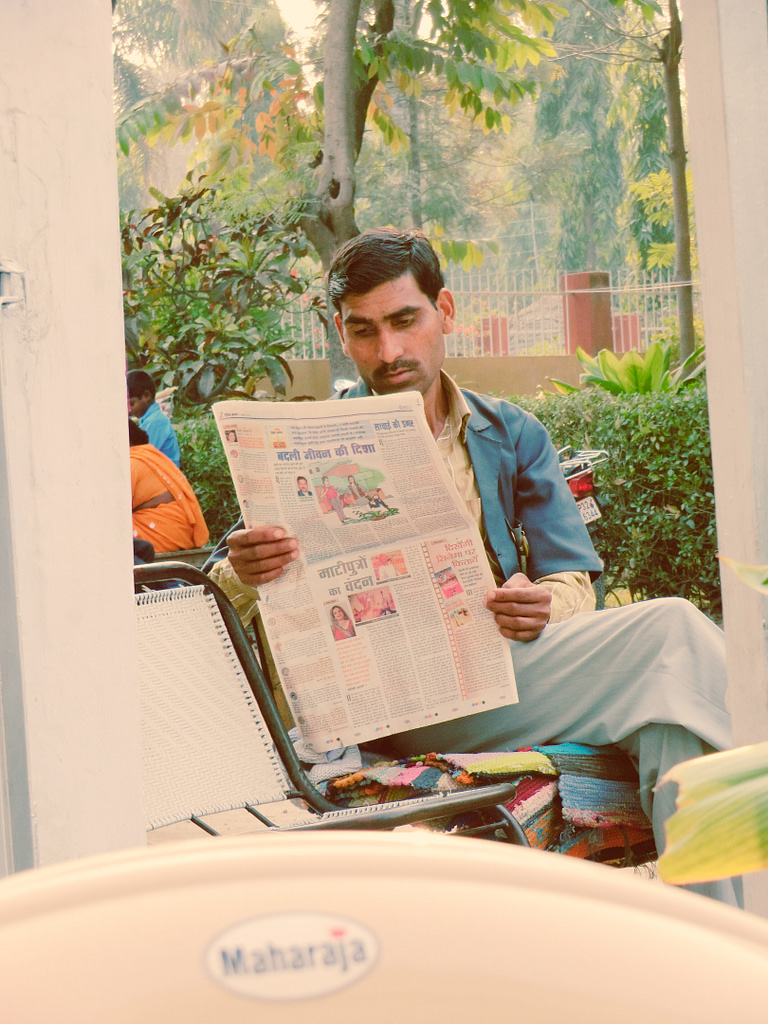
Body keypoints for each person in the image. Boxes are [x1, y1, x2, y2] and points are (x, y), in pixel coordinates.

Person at [208, 228, 738, 906]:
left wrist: (546, 604)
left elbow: (574, 574)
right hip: (385, 705)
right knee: (670, 633)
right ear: (340, 335)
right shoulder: (307, 446)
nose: (389, 351)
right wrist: (245, 571)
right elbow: (225, 586)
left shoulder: (510, 432)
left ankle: (726, 955)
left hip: (499, 674)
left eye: (405, 321)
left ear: (446, 312)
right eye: (363, 331)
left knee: (672, 722)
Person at [129, 419, 209, 553]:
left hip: (162, 534)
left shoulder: (132, 462)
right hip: (179, 534)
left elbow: (110, 511)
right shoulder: (150, 456)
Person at [127, 369, 181, 467]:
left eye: (132, 404)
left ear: (146, 396)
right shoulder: (147, 420)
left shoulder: (156, 421)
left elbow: (143, 456)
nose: (129, 410)